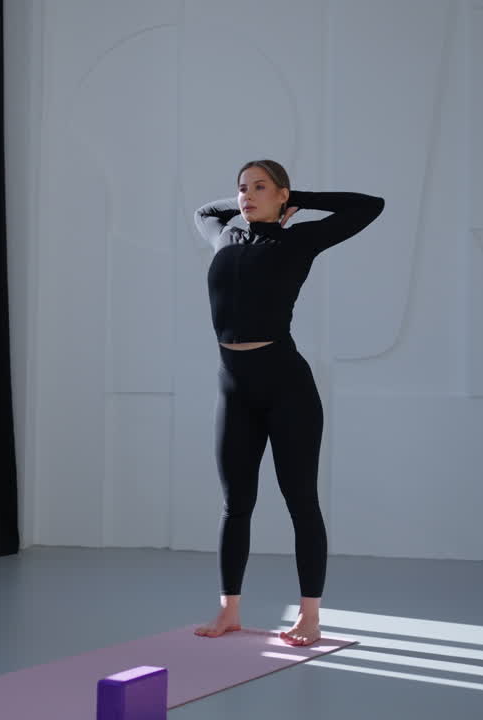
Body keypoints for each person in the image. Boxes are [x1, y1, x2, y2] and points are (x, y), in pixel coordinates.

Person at [191, 160, 384, 647]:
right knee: (236, 504)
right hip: (233, 386)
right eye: (242, 188)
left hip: (286, 388)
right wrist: (253, 200)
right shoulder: (224, 237)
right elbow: (202, 211)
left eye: (259, 188)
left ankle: (310, 618)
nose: (246, 196)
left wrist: (297, 199)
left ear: (282, 195)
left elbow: (368, 207)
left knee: (301, 502)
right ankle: (228, 612)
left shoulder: (299, 241)